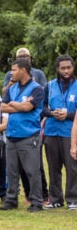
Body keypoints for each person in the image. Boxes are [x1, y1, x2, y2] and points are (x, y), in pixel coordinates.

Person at [0, 57, 45, 212]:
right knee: (11, 171)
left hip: (29, 136)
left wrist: (14, 104)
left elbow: (28, 107)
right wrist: (19, 106)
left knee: (32, 171)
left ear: (23, 70)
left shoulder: (37, 88)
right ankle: (11, 200)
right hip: (12, 135)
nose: (11, 73)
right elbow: (2, 107)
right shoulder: (11, 88)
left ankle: (36, 202)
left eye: (14, 70)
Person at [42, 55, 77, 210]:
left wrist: (68, 115)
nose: (66, 71)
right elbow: (42, 108)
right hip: (51, 131)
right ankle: (55, 199)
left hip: (70, 132)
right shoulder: (49, 86)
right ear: (57, 69)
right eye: (63, 68)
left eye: (68, 67)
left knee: (72, 167)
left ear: (73, 67)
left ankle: (73, 200)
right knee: (53, 167)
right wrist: (51, 113)